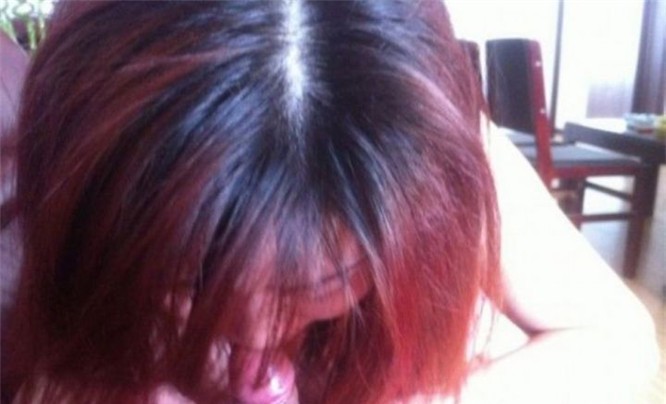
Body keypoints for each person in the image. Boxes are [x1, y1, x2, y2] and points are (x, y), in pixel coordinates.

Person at [2, 1, 658, 403]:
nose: (257, 332)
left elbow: (619, 343)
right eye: (187, 280)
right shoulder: (83, 180)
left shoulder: (417, 141)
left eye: (317, 283)